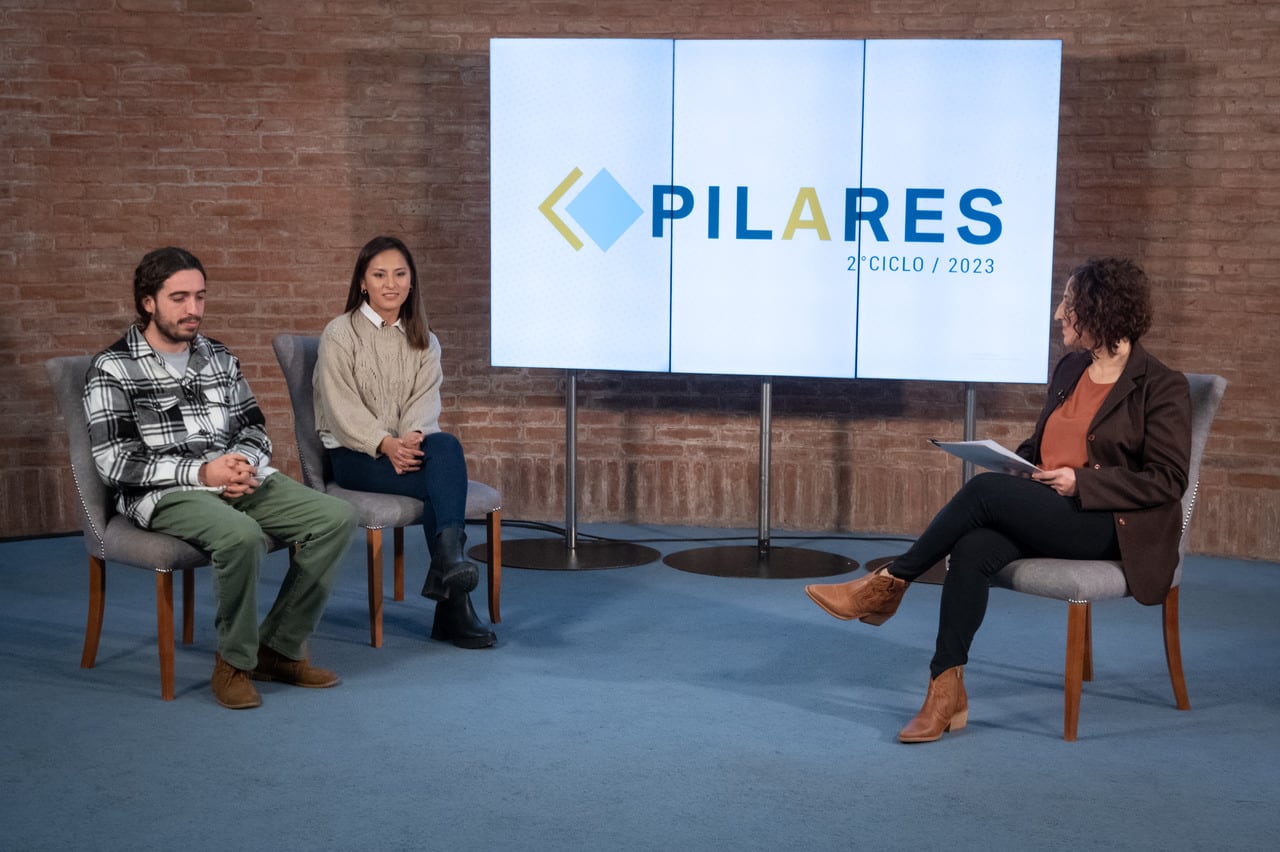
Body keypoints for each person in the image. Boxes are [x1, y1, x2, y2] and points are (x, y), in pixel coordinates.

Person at [805, 257, 1191, 743]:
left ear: (1101, 311)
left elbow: (1168, 479)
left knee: (984, 493)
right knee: (972, 550)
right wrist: (1017, 464)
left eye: (1068, 305)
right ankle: (944, 691)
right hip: (1052, 506)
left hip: (1110, 526)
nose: (1058, 315)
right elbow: (1046, 444)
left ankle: (891, 582)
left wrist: (1082, 484)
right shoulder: (1072, 367)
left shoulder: (1160, 385)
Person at [84, 246, 356, 710]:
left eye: (200, 297)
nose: (194, 310)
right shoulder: (113, 368)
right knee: (241, 536)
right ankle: (233, 662)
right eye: (179, 298)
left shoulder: (218, 355)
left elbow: (252, 426)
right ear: (148, 301)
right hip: (164, 492)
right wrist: (203, 472)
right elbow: (116, 463)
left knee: (335, 517)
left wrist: (242, 464)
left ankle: (279, 649)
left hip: (234, 477)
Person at [313, 235, 496, 649]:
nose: (390, 284)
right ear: (363, 282)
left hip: (407, 448)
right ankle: (455, 605)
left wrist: (409, 441)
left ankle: (449, 563)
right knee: (444, 486)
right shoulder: (340, 334)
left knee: (445, 447)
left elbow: (423, 402)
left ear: (412, 282)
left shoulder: (424, 338)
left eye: (399, 274)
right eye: (379, 275)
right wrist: (384, 444)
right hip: (354, 454)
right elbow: (342, 410)